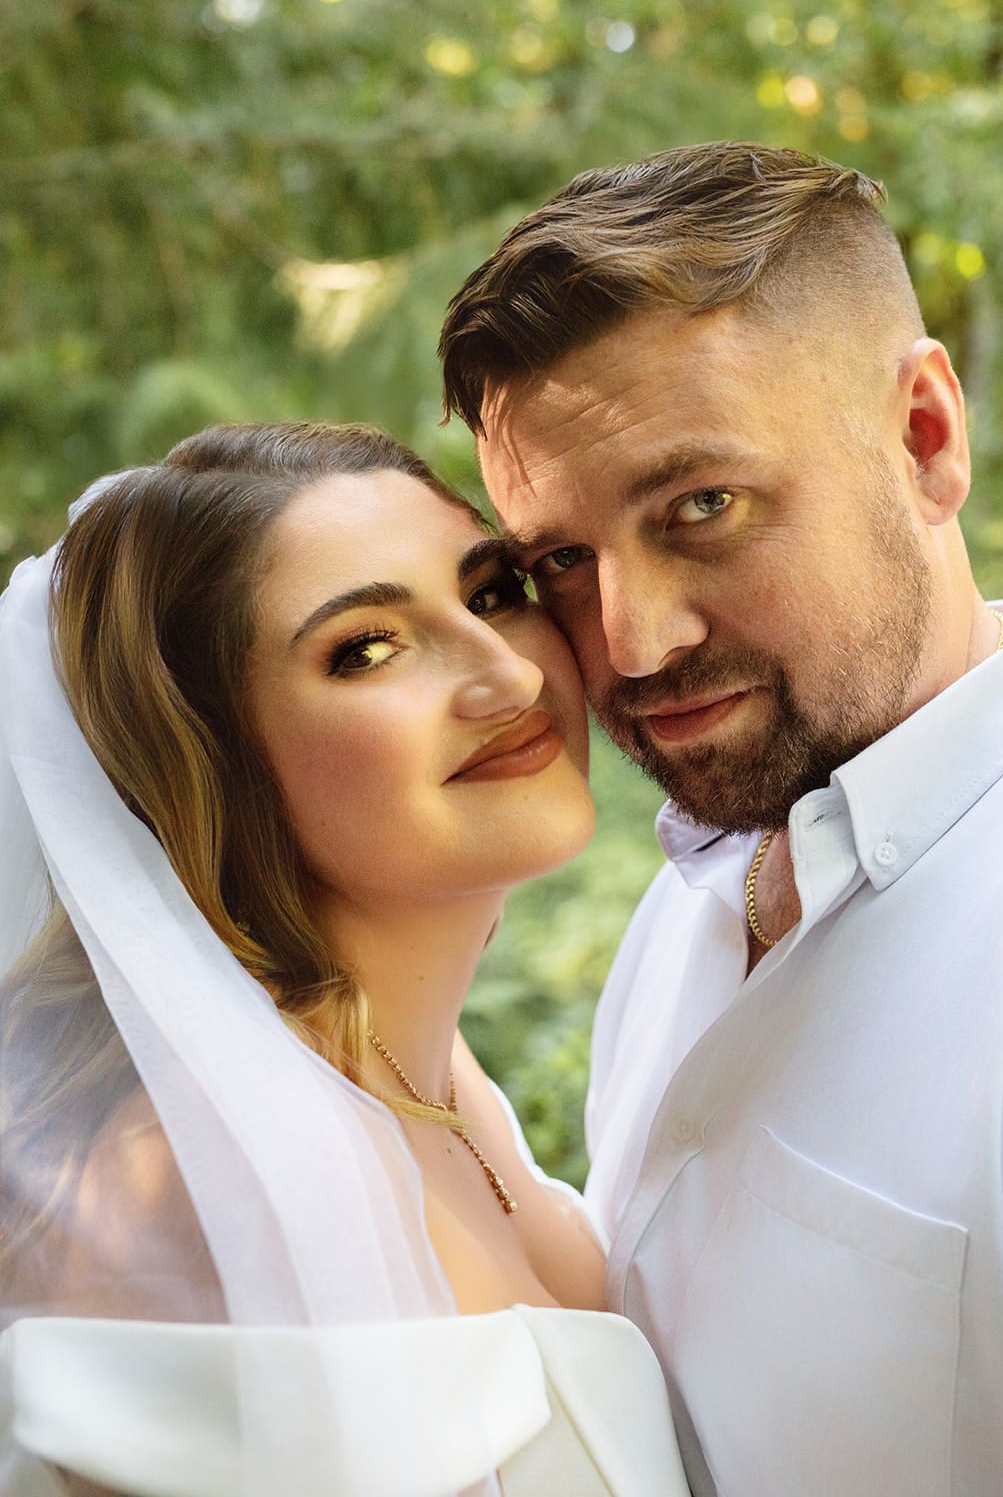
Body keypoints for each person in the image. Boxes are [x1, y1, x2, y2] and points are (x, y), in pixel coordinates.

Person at [438, 142, 1003, 1497]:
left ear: (922, 439)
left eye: (701, 508)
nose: (631, 641)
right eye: (557, 562)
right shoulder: (695, 896)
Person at [0, 421, 691, 1497]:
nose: (504, 674)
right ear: (208, 756)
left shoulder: (420, 1067)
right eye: (366, 647)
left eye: (491, 593)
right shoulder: (179, 1184)